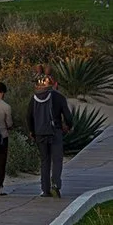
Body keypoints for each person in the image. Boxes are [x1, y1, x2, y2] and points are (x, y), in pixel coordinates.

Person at [31, 70, 75, 198]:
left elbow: (29, 116)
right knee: (57, 160)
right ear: (55, 84)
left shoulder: (35, 98)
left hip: (40, 133)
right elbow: (67, 116)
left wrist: (32, 131)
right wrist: (69, 126)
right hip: (55, 132)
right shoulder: (59, 97)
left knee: (45, 161)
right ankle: (55, 185)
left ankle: (45, 189)